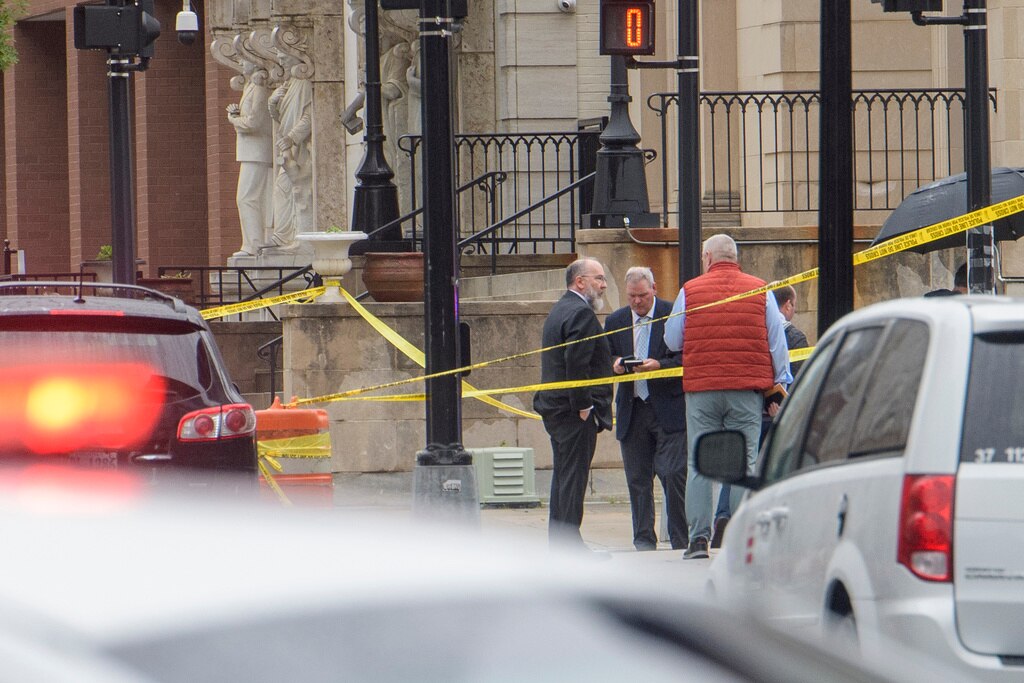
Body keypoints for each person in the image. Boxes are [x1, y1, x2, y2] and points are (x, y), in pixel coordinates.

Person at [665, 234, 792, 560]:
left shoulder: (689, 291)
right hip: (746, 391)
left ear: (708, 257)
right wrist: (781, 382)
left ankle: (698, 540)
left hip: (702, 390)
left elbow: (672, 340)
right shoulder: (760, 290)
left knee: (698, 463)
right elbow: (777, 342)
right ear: (735, 257)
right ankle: (739, 539)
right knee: (744, 461)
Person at [711, 283, 808, 548]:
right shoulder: (794, 337)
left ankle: (724, 516)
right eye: (793, 306)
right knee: (773, 470)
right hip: (775, 413)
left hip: (746, 405)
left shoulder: (750, 331)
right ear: (787, 305)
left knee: (739, 464)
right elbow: (796, 378)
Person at [605, 267, 688, 551]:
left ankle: (680, 539)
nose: (637, 301)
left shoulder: (671, 314)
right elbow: (604, 357)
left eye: (642, 295)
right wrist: (616, 364)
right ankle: (643, 540)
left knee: (672, 474)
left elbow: (684, 358)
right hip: (632, 409)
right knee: (638, 479)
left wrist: (659, 365)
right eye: (632, 296)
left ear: (654, 289)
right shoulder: (616, 320)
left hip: (667, 407)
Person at [533, 258, 614, 551]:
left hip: (557, 408)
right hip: (572, 412)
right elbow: (576, 362)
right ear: (580, 282)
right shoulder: (580, 312)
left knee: (564, 477)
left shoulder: (562, 308)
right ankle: (569, 547)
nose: (603, 285)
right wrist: (585, 406)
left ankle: (561, 544)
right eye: (598, 278)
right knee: (573, 479)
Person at [227, 59, 273, 257]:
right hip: (251, 152)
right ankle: (252, 243)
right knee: (248, 198)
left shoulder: (259, 86)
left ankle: (254, 245)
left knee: (247, 197)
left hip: (258, 151)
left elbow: (255, 122)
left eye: (244, 59)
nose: (240, 62)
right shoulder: (250, 85)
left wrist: (233, 119)